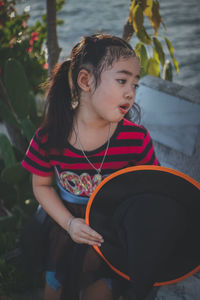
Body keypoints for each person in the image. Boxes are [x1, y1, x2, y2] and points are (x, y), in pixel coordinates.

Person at [21, 33, 159, 300]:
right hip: (64, 230)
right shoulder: (50, 137)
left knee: (99, 294)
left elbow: (151, 191)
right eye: (121, 80)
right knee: (55, 292)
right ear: (85, 81)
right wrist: (70, 223)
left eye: (134, 84)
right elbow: (41, 184)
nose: (130, 92)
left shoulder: (136, 139)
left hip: (112, 234)